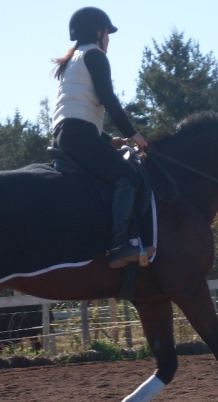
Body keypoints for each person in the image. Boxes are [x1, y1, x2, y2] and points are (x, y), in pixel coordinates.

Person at [52, 6, 149, 269]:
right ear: (98, 32)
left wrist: (107, 140)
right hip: (79, 136)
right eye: (107, 34)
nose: (108, 41)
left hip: (65, 135)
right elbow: (109, 99)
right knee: (127, 176)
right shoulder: (94, 55)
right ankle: (119, 245)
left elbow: (76, 111)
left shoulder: (72, 60)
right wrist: (133, 134)